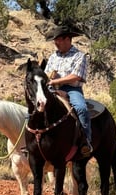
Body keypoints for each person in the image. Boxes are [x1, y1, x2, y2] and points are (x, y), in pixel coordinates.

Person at [44, 25, 93, 156]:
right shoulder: (53, 56)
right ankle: (30, 140)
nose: (55, 43)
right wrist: (49, 76)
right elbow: (46, 73)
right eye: (55, 40)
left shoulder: (79, 56)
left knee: (81, 109)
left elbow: (76, 76)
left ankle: (85, 141)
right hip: (51, 88)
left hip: (72, 89)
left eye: (58, 39)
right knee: (34, 107)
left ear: (67, 39)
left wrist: (56, 81)